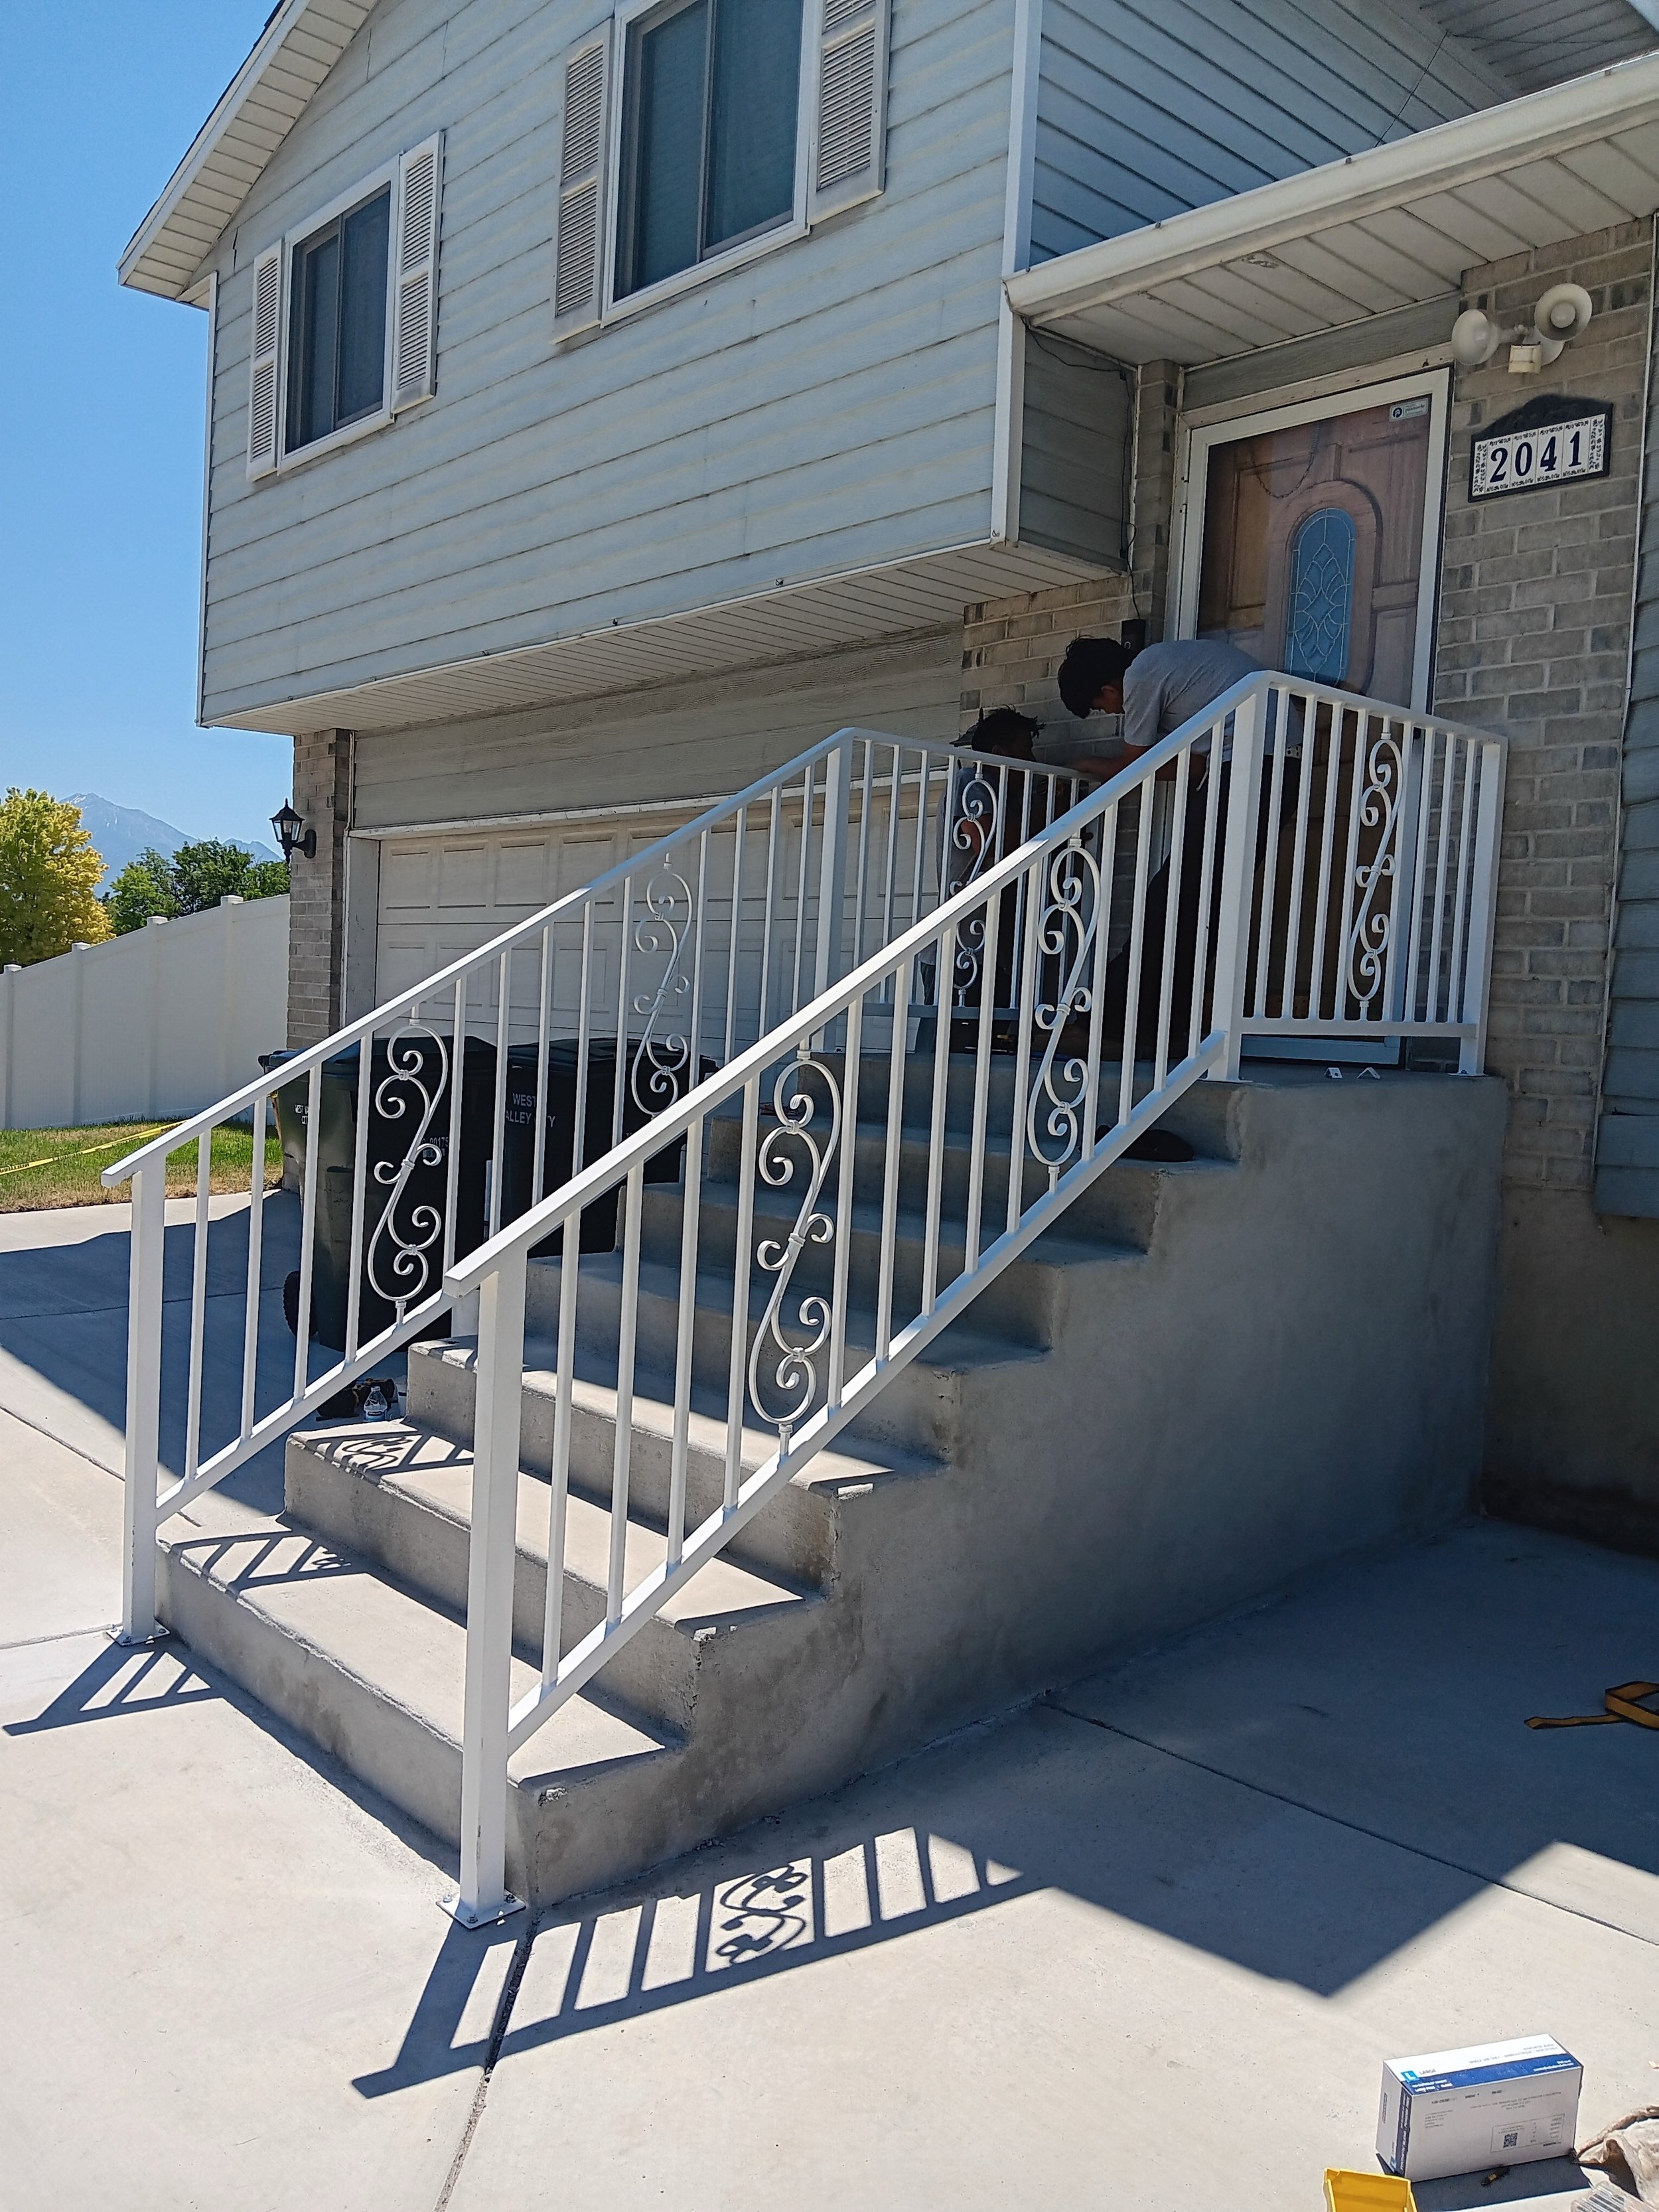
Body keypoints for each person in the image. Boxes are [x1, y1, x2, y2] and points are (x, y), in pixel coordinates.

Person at [1054, 634, 1298, 1061]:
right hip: (1266, 767)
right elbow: (1192, 765)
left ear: (1110, 689)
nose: (1114, 712)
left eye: (1102, 707)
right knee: (1191, 905)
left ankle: (1120, 1028)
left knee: (1172, 902)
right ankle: (1161, 1028)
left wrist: (1091, 767)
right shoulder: (1176, 668)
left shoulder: (1143, 674)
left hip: (1253, 768)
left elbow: (1136, 764)